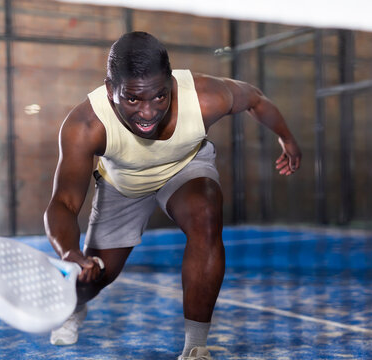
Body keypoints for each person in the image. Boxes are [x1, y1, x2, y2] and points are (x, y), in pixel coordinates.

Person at [43, 32, 301, 359]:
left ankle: (196, 346)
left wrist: (287, 140)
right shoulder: (86, 125)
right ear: (111, 91)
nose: (148, 113)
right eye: (133, 99)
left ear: (171, 84)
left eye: (159, 97)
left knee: (206, 215)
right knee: (93, 276)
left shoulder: (207, 96)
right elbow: (64, 202)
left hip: (185, 167)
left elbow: (257, 100)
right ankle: (73, 310)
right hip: (124, 185)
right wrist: (68, 252)